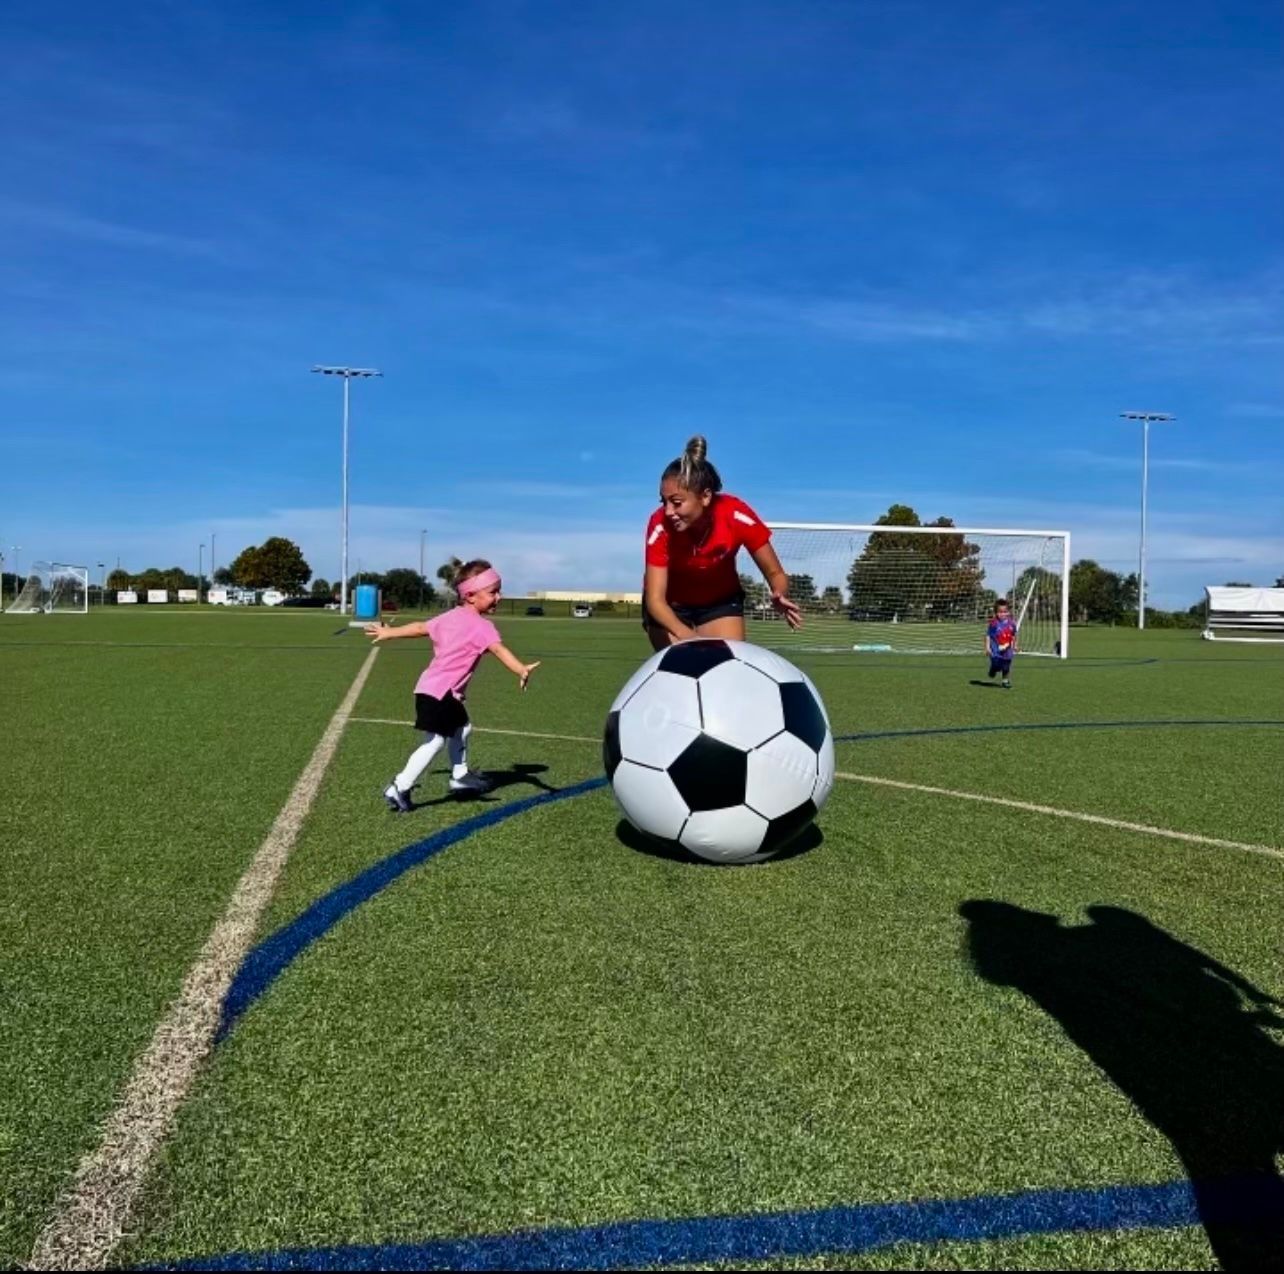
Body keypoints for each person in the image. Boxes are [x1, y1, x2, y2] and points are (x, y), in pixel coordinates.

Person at [365, 560, 540, 812]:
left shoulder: (449, 617)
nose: (498, 597)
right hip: (440, 692)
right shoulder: (483, 627)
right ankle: (400, 786)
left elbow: (420, 627)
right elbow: (499, 650)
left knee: (463, 727)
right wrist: (520, 669)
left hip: (432, 688)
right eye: (493, 592)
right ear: (470, 595)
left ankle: (459, 774)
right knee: (435, 741)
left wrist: (390, 633)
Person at [643, 435, 801, 649]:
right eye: (664, 502)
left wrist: (779, 592)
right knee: (682, 665)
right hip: (670, 606)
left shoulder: (736, 515)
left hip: (719, 603)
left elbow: (776, 574)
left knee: (726, 670)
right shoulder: (659, 524)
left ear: (705, 496)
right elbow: (655, 601)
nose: (668, 511)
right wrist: (689, 638)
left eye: (677, 503)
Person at [985, 597, 1018, 688]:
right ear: (996, 613)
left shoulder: (1011, 623)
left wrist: (1015, 645)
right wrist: (987, 648)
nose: (1003, 614)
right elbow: (988, 635)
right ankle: (993, 669)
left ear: (1008, 612)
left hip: (1007, 649)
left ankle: (1005, 680)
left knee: (1006, 664)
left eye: (1005, 611)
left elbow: (1014, 635)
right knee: (997, 665)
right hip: (995, 649)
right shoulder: (994, 623)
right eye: (1000, 612)